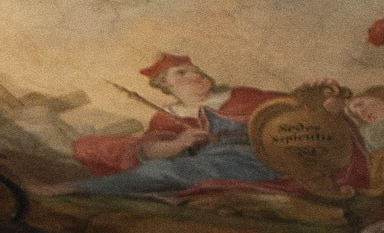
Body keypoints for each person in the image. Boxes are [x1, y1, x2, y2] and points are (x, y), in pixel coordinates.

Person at [63, 54, 287, 197]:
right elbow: (151, 150)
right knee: (158, 168)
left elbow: (297, 106)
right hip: (210, 160)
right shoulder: (168, 116)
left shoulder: (241, 95)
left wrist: (321, 102)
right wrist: (181, 142)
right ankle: (80, 189)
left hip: (257, 156)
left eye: (196, 69)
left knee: (166, 171)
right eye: (182, 72)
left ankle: (76, 190)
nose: (196, 74)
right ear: (166, 85)